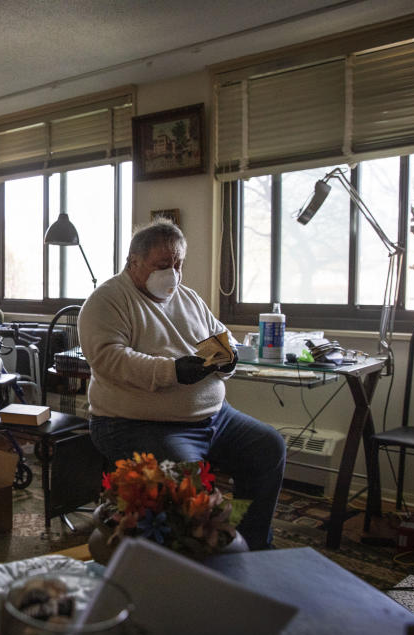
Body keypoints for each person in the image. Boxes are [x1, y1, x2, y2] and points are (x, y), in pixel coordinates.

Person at [77, 219, 285, 550]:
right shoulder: (107, 301)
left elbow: (220, 336)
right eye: (163, 265)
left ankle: (250, 547)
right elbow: (110, 360)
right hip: (137, 424)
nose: (173, 273)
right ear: (134, 262)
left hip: (215, 417)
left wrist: (226, 356)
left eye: (178, 264)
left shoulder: (188, 298)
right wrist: (172, 371)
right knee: (189, 490)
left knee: (268, 447)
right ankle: (198, 565)